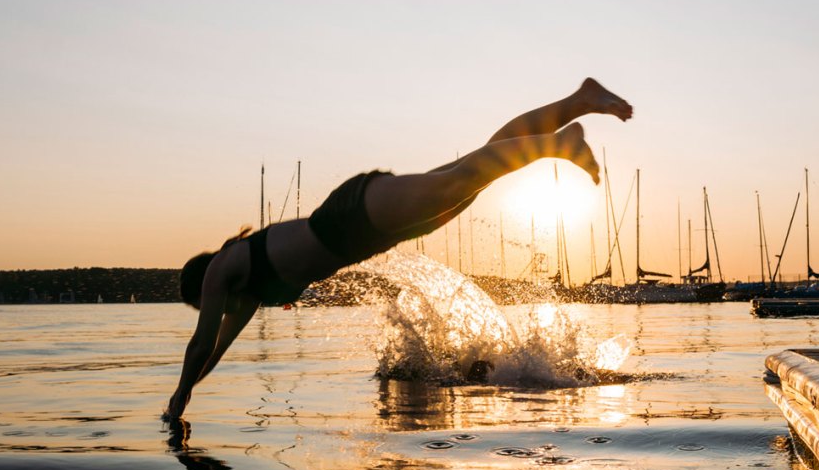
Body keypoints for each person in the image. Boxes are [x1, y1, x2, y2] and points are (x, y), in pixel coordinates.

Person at [165, 78, 633, 420]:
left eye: (205, 304)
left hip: (348, 215)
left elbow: (199, 343)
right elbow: (213, 352)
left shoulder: (223, 267)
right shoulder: (249, 294)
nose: (215, 309)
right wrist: (187, 394)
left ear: (203, 284)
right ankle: (579, 100)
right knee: (474, 174)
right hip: (368, 236)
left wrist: (178, 396)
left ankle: (557, 144)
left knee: (463, 179)